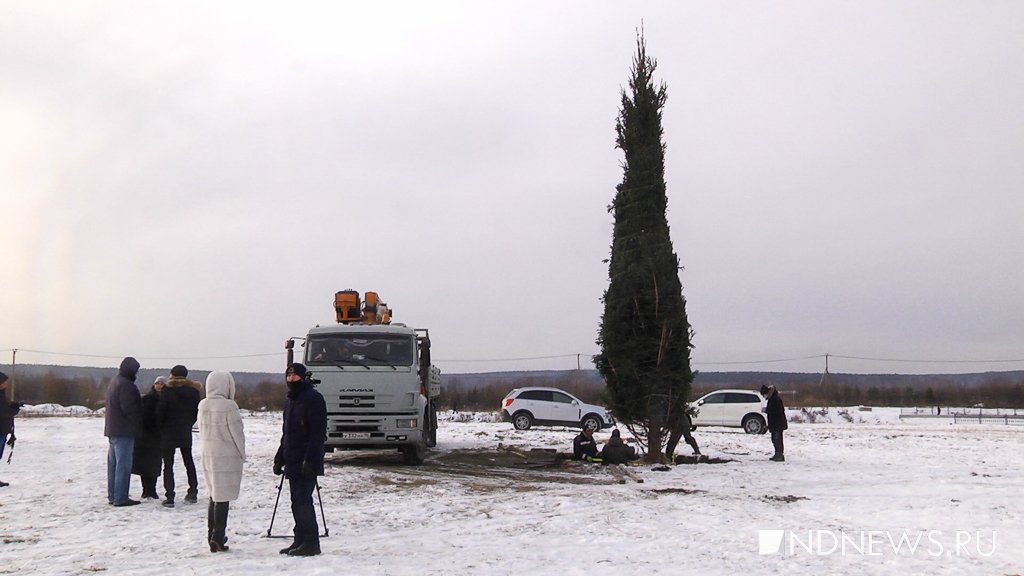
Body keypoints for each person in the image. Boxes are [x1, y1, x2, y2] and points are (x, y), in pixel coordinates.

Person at [274, 363, 327, 557]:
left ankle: (312, 542)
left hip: (307, 459)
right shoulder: (291, 400)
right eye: (288, 376)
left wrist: (311, 459)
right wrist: (280, 457)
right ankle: (300, 539)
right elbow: (287, 433)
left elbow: (318, 433)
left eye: (295, 376)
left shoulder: (314, 399)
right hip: (293, 457)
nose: (291, 380)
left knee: (304, 500)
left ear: (303, 378)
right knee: (296, 500)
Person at [199, 371, 246, 553]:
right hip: (226, 456)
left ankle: (211, 533)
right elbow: (237, 434)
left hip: (208, 454)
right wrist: (242, 453)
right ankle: (218, 536)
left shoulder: (203, 405)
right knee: (223, 497)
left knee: (213, 495)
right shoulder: (229, 406)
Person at [157, 364, 202, 507]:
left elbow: (161, 411)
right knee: (188, 462)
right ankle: (193, 491)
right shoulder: (194, 392)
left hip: (168, 431)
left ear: (172, 375)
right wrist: (188, 423)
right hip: (184, 430)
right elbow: (196, 413)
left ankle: (170, 496)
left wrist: (160, 426)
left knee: (168, 465)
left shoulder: (167, 391)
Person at [105, 357, 144, 506]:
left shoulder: (114, 381)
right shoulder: (126, 385)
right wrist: (138, 424)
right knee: (123, 465)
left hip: (113, 429)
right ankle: (120, 497)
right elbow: (130, 408)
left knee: (113, 465)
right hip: (124, 430)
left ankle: (113, 495)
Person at [133, 376, 165, 499]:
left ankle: (152, 489)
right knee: (144, 464)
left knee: (155, 464)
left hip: (158, 436)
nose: (159, 386)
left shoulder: (166, 399)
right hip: (145, 435)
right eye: (157, 383)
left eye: (162, 384)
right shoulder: (147, 399)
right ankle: (145, 489)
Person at [0, 371, 23, 487]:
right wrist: (15, 410)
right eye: (4, 382)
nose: (6, 384)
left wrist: (13, 405)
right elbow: (2, 412)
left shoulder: (1, 394)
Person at [761, 384, 788, 462]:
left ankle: (779, 454)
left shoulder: (775, 399)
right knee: (775, 439)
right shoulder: (772, 399)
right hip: (775, 424)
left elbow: (778, 411)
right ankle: (777, 453)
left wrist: (767, 410)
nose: (764, 397)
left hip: (778, 424)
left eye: (764, 395)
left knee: (777, 439)